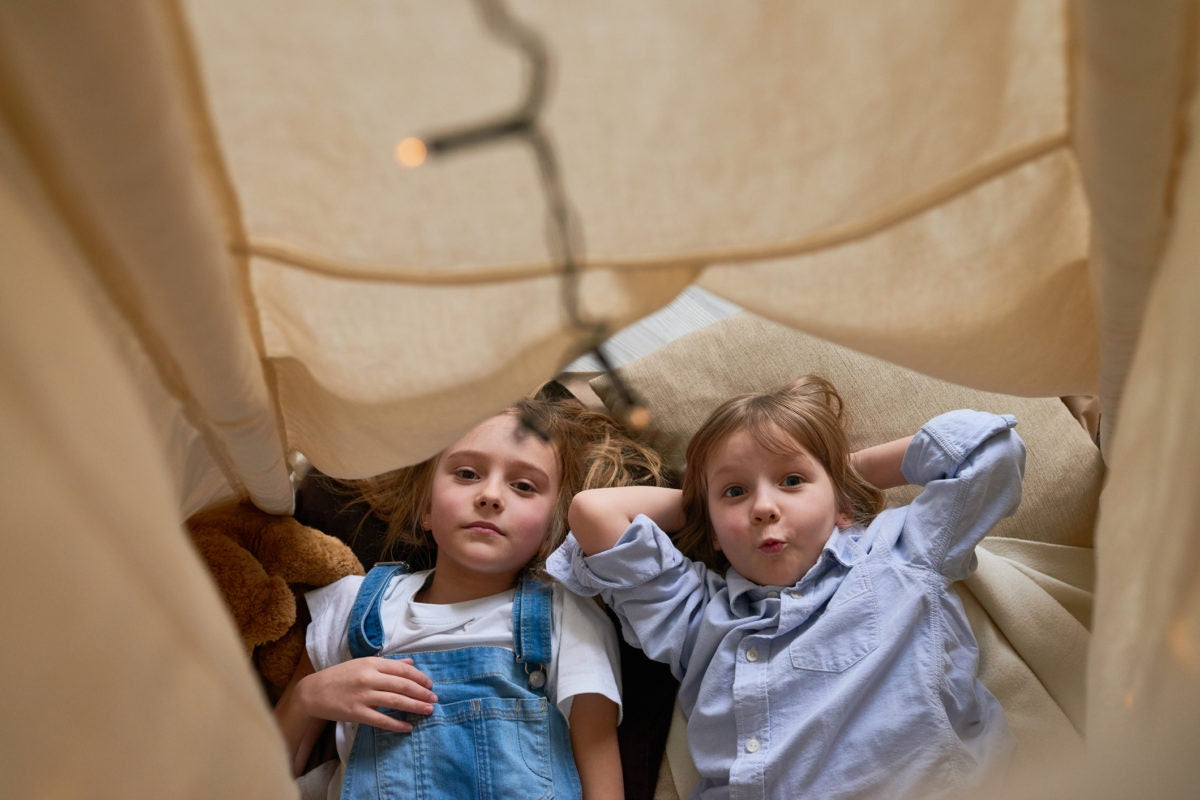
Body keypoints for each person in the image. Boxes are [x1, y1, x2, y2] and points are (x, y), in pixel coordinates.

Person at [549, 375, 1024, 799]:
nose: (763, 507)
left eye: (792, 480)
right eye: (735, 492)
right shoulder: (696, 621)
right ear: (712, 531)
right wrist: (700, 503)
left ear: (841, 504)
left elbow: (989, 450)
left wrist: (848, 474)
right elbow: (594, 513)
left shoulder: (902, 553)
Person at [275, 393, 665, 800]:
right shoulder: (356, 605)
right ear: (426, 508)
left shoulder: (564, 616)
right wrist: (309, 698)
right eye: (466, 474)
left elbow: (601, 776)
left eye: (523, 485)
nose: (491, 495)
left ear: (549, 531)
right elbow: (261, 773)